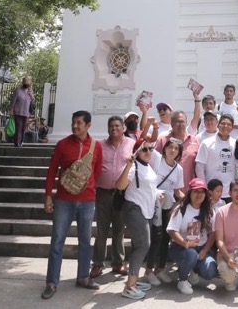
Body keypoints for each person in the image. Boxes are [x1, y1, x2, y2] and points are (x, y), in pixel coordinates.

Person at [41, 110, 103, 300]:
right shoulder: (62, 144)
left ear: (88, 125)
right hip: (63, 200)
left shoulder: (96, 146)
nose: (75, 126)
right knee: (57, 240)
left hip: (87, 201)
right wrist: (48, 196)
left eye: (79, 123)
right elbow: (52, 170)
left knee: (85, 240)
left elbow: (97, 171)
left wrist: (87, 188)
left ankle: (83, 277)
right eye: (73, 122)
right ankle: (52, 282)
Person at [90, 116, 135, 279]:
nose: (114, 128)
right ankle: (97, 264)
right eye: (111, 126)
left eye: (117, 126)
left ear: (123, 128)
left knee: (119, 230)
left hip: (122, 194)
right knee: (101, 230)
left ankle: (118, 263)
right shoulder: (99, 145)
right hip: (103, 193)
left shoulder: (131, 144)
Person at [116, 141, 160, 300]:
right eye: (144, 149)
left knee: (138, 245)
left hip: (147, 210)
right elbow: (120, 186)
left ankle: (133, 280)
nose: (148, 152)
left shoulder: (147, 166)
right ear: (137, 152)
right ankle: (129, 287)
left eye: (150, 149)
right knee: (143, 245)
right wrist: (128, 165)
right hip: (134, 209)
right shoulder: (133, 167)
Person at [167, 177, 217, 295]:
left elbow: (213, 233)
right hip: (181, 247)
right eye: (195, 191)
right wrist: (185, 244)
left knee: (210, 271)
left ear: (206, 194)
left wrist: (205, 250)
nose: (199, 195)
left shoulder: (209, 211)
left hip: (201, 247)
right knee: (191, 254)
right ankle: (182, 280)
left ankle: (194, 270)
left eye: (202, 192)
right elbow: (172, 230)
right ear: (189, 193)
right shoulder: (181, 209)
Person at [147, 137, 186, 284]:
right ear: (165, 149)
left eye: (176, 149)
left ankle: (161, 269)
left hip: (168, 206)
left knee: (165, 237)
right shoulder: (157, 159)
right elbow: (146, 145)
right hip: (151, 203)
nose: (173, 150)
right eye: (170, 147)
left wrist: (191, 200)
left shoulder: (179, 169)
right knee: (154, 237)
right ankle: (149, 270)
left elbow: (177, 191)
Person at [155, 111, 199, 193]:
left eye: (183, 122)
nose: (180, 125)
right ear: (172, 124)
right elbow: (155, 161)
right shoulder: (163, 139)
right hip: (166, 190)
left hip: (189, 188)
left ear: (186, 123)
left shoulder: (194, 140)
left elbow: (198, 165)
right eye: (177, 122)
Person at [195, 114, 238, 193]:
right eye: (223, 123)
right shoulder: (206, 143)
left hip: (229, 191)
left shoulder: (235, 143)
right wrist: (204, 187)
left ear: (232, 128)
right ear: (218, 125)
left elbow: (237, 166)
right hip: (211, 191)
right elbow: (199, 167)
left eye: (229, 124)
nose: (225, 126)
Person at [9, 77, 34, 147]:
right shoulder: (18, 90)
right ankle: (17, 142)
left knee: (23, 128)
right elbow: (13, 100)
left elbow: (32, 101)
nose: (27, 84)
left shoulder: (30, 91)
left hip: (26, 112)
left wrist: (31, 96)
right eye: (25, 82)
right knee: (19, 127)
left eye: (28, 82)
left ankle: (21, 141)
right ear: (23, 82)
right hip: (18, 111)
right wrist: (11, 108)